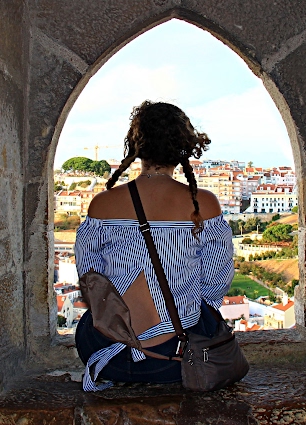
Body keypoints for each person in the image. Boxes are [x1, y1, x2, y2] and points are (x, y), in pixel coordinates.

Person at [74, 100, 234, 391]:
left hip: (109, 355)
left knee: (88, 322)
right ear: (183, 148)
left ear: (136, 147)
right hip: (177, 358)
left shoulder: (102, 205)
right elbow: (215, 282)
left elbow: (91, 280)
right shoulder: (204, 204)